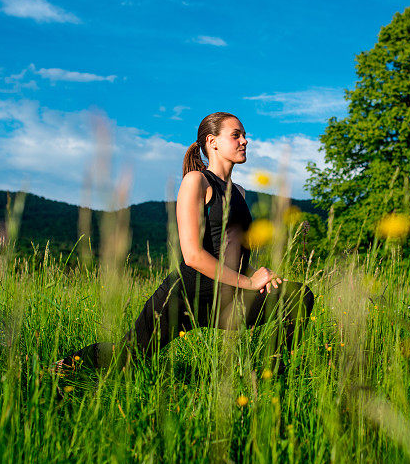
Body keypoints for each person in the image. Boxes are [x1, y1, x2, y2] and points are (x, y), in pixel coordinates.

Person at [53, 112, 315, 389]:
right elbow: (193, 255)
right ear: (212, 142)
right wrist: (249, 281)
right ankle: (65, 366)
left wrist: (260, 276)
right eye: (236, 135)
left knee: (297, 296)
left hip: (225, 296)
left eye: (244, 135)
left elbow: (230, 251)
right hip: (186, 294)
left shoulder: (239, 192)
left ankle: (266, 375)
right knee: (129, 357)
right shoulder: (196, 181)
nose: (245, 141)